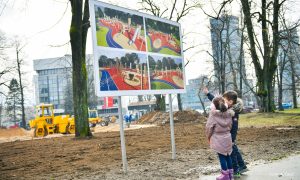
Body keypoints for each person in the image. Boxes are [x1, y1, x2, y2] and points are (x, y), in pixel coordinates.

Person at [203, 88, 248, 177]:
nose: (223, 101)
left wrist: (232, 139)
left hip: (229, 136)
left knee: (232, 153)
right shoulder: (227, 107)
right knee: (233, 152)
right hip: (226, 135)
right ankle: (241, 166)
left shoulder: (233, 112)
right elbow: (217, 101)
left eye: (225, 100)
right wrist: (208, 94)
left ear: (230, 102)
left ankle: (236, 171)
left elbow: (234, 127)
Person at [206, 96, 235, 180]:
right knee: (228, 155)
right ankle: (231, 174)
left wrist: (208, 137)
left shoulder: (213, 114)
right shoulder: (229, 113)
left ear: (213, 106)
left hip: (218, 138)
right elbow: (231, 125)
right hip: (227, 137)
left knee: (221, 156)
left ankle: (225, 175)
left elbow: (209, 127)